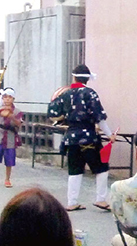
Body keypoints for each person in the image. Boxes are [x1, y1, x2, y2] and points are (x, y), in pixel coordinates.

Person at [47, 64, 116, 212]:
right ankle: (101, 199)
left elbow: (52, 112)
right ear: (88, 79)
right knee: (101, 167)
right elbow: (99, 117)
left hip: (71, 137)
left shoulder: (65, 94)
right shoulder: (90, 93)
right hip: (89, 137)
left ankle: (72, 202)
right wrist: (110, 135)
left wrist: (65, 119)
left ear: (74, 77)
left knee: (75, 169)